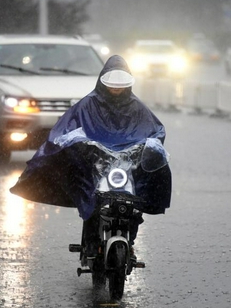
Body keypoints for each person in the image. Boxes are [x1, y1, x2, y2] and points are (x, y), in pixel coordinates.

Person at [10, 55, 172, 257]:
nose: (116, 89)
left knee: (133, 205)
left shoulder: (137, 108)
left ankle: (130, 241)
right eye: (112, 85)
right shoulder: (88, 104)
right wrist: (75, 142)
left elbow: (155, 130)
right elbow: (65, 129)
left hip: (125, 167)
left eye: (119, 85)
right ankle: (91, 242)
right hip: (95, 165)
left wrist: (151, 145)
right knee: (93, 200)